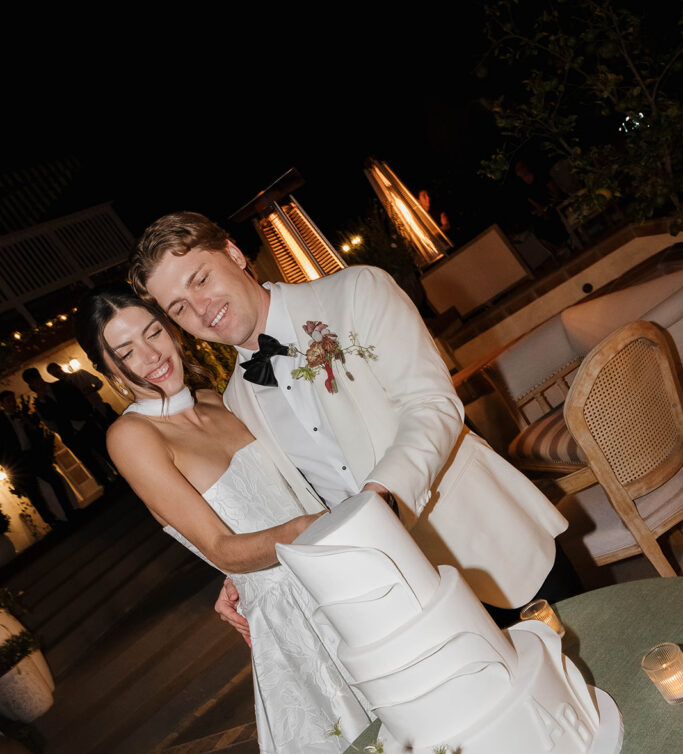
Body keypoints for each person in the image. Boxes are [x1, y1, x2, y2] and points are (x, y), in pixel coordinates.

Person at [129, 212, 572, 639]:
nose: (202, 310)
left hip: (492, 550)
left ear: (234, 253)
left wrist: (378, 502)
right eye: (180, 307)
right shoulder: (236, 402)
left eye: (201, 279)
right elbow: (284, 507)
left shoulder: (356, 291)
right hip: (403, 604)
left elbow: (432, 406)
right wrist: (243, 578)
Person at [76, 285, 371, 754]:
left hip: (340, 573)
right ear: (109, 371)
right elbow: (219, 546)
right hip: (296, 617)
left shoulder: (220, 399)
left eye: (153, 332)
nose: (151, 355)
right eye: (126, 352)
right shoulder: (132, 437)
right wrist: (305, 531)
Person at [21, 366, 113, 486]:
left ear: (40, 377)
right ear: (30, 384)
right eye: (33, 382)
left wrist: (86, 415)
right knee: (88, 461)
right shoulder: (39, 403)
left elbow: (79, 398)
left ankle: (124, 473)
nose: (37, 383)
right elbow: (49, 420)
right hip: (69, 434)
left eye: (37, 379)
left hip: (84, 423)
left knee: (104, 450)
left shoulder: (61, 385)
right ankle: (105, 483)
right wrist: (43, 399)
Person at [0, 390, 75, 527]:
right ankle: (51, 521)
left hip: (34, 455)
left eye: (13, 400)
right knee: (33, 493)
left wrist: (30, 425)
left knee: (54, 480)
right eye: (9, 401)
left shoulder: (22, 414)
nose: (13, 403)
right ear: (2, 404)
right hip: (18, 462)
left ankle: (69, 511)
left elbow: (37, 434)